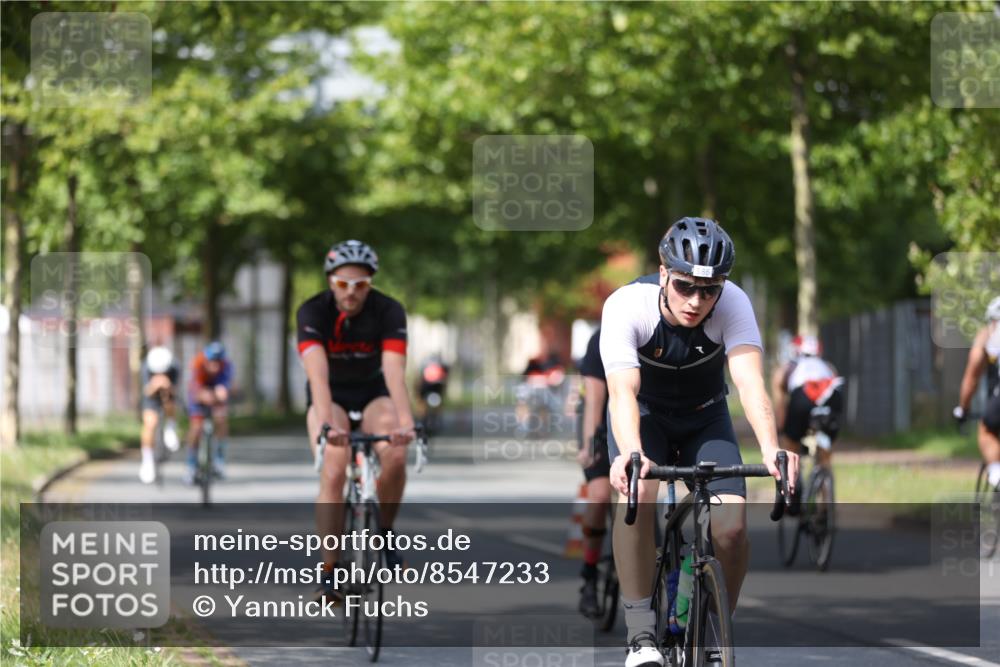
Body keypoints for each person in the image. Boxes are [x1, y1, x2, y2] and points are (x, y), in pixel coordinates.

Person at [600, 217, 798, 667]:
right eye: (686, 286)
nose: (696, 301)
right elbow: (622, 392)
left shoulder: (735, 303)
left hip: (704, 418)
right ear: (664, 272)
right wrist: (632, 453)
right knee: (639, 490)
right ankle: (640, 636)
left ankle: (712, 630)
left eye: (709, 291)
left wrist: (772, 448)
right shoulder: (627, 305)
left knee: (732, 527)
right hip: (645, 417)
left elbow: (749, 383)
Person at [296, 239, 416, 601]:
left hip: (372, 391)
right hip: (329, 393)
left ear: (370, 284)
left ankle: (384, 533)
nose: (351, 292)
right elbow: (316, 374)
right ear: (331, 281)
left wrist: (406, 423)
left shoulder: (389, 311)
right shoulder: (312, 313)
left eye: (360, 284)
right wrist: (328, 427)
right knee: (333, 467)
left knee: (393, 453)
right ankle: (329, 570)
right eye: (343, 284)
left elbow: (394, 370)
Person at [770, 334, 843, 510]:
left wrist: (782, 430)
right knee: (825, 455)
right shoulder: (828, 367)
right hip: (831, 394)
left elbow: (780, 405)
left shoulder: (787, 369)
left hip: (802, 395)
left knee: (790, 446)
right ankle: (824, 509)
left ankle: (793, 492)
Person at [576, 326, 613, 619]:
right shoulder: (602, 338)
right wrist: (590, 444)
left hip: (644, 426)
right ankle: (589, 573)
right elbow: (593, 402)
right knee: (599, 496)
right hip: (600, 425)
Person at [953, 296, 1000, 490]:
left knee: (987, 430)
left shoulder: (990, 333)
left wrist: (963, 409)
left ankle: (997, 474)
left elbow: (971, 378)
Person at [183, 340, 233, 485]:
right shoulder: (197, 364)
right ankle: (191, 465)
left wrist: (221, 393)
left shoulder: (227, 366)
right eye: (211, 361)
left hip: (216, 391)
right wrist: (204, 395)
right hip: (199, 393)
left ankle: (219, 459)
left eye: (218, 362)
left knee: (221, 419)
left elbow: (225, 388)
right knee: (196, 427)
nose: (214, 365)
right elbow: (195, 390)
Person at [138, 345, 180, 484]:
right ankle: (147, 460)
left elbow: (176, 392)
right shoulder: (146, 367)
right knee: (149, 423)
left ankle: (170, 428)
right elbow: (146, 392)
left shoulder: (174, 367)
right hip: (151, 396)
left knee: (170, 404)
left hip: (168, 395)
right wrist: (155, 386)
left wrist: (168, 386)